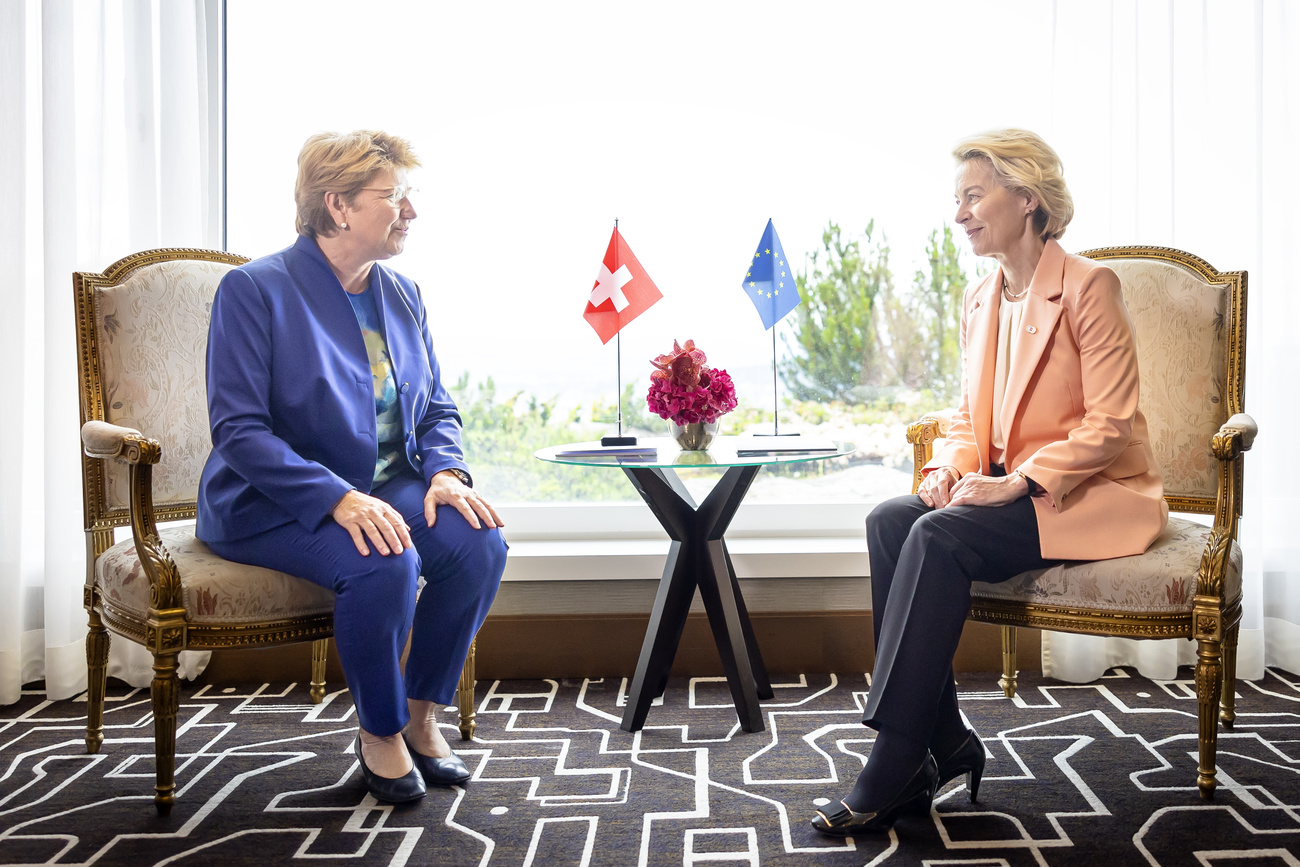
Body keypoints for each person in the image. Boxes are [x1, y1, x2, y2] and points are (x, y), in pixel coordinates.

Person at [812, 129, 1166, 835]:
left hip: (1089, 495)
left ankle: (898, 755)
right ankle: (939, 738)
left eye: (974, 196)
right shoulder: (980, 297)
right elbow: (973, 418)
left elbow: (1111, 423)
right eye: (958, 199)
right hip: (1005, 488)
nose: (960, 213)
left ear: (1028, 198)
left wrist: (1019, 482)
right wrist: (948, 466)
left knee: (938, 537)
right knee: (892, 517)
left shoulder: (1090, 287)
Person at [197, 130, 507, 804]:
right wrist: (338, 498)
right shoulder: (254, 291)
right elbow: (239, 431)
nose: (411, 212)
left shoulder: (402, 293)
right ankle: (380, 731)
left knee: (479, 543)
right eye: (393, 197)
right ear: (336, 205)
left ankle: (422, 716)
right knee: (384, 558)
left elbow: (436, 407)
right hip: (272, 500)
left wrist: (446, 473)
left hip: (389, 487)